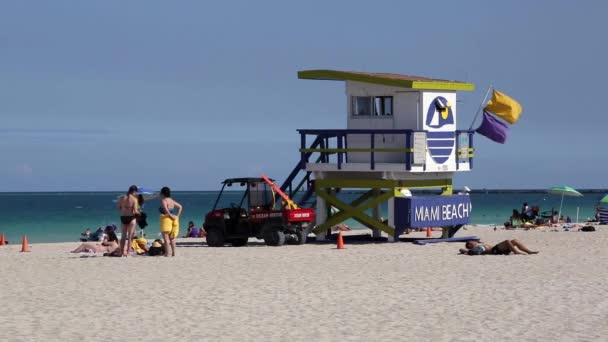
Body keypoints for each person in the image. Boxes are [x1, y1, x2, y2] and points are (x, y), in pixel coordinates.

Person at [117, 185, 140, 257]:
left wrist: (124, 209)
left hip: (123, 217)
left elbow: (118, 207)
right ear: (134, 191)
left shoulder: (121, 198)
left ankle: (121, 252)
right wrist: (140, 213)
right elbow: (135, 211)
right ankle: (128, 253)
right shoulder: (134, 199)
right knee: (130, 237)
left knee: (123, 236)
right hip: (131, 218)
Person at [159, 186, 183, 257]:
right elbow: (180, 207)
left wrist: (169, 215)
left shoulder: (164, 200)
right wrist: (177, 216)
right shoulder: (171, 200)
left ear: (163, 193)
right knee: (172, 238)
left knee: (166, 239)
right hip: (173, 221)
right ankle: (173, 253)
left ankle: (166, 253)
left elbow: (166, 210)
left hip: (166, 221)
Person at [459, 239, 539, 255]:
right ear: (470, 244)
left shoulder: (479, 243)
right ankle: (516, 252)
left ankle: (528, 251)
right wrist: (465, 251)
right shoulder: (475, 247)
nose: (473, 241)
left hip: (498, 249)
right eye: (471, 241)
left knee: (515, 240)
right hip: (494, 251)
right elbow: (462, 249)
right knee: (507, 241)